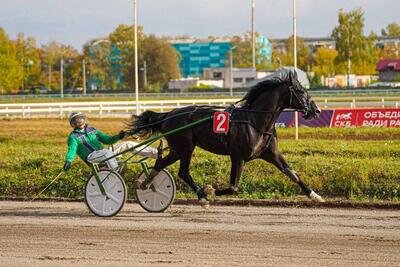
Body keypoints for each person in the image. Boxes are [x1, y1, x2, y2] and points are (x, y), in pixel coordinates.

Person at [63, 112, 158, 172]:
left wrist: (119, 136)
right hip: (91, 157)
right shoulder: (73, 137)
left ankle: (155, 153)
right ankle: (116, 172)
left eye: (80, 119)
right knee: (106, 152)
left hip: (104, 154)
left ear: (84, 119)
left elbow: (107, 140)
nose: (79, 121)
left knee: (127, 144)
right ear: (73, 124)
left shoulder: (93, 130)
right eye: (76, 120)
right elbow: (72, 150)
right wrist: (68, 161)